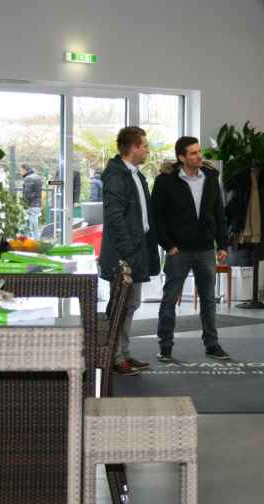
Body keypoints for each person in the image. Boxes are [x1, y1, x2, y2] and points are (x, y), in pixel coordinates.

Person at [151, 137, 230, 362]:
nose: (199, 156)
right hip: (178, 251)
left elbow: (219, 213)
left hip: (206, 249)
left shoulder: (211, 178)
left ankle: (212, 344)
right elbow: (156, 217)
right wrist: (168, 246)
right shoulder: (165, 181)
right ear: (181, 157)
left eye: (199, 151)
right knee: (169, 299)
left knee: (208, 300)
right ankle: (165, 346)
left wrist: (222, 244)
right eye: (193, 153)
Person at [99, 127, 160, 376]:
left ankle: (123, 353)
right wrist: (129, 252)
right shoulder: (116, 176)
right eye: (144, 146)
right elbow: (114, 218)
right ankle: (113, 358)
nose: (147, 151)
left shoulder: (135, 174)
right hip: (125, 254)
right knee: (120, 306)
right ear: (133, 148)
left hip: (137, 249)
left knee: (131, 304)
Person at [20, 163, 43, 238]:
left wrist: (24, 205)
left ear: (24, 169)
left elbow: (27, 194)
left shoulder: (28, 178)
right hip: (37, 204)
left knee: (30, 226)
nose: (20, 172)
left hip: (30, 205)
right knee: (32, 225)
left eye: (21, 170)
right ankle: (31, 240)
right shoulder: (38, 177)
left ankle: (34, 241)